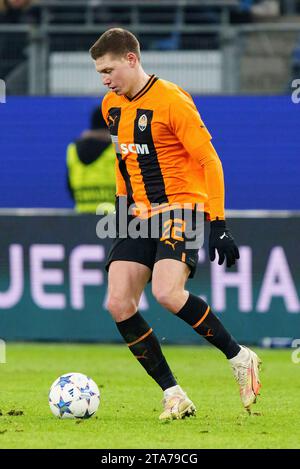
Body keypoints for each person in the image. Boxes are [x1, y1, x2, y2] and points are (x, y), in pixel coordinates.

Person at [89, 28, 262, 420]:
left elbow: (210, 162)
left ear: (131, 59)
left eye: (109, 69)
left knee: (168, 292)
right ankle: (174, 394)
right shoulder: (111, 106)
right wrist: (121, 207)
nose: (105, 79)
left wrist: (218, 223)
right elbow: (124, 162)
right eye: (100, 72)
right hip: (138, 215)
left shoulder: (172, 101)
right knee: (118, 303)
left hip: (182, 208)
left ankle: (239, 357)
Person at [66, 106, 116, 214]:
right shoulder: (117, 149)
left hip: (82, 218)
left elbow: (70, 188)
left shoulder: (72, 149)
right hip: (112, 220)